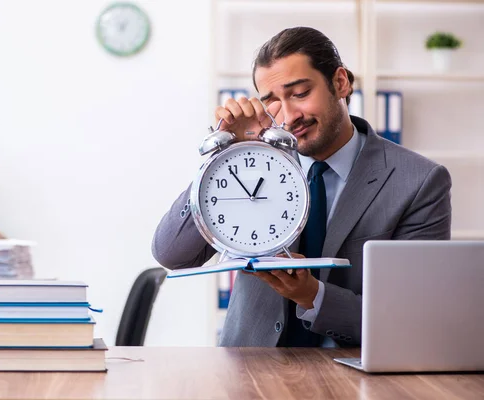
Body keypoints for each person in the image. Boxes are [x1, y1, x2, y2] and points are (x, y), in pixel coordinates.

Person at [151, 26, 452, 347]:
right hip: (249, 373)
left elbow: (412, 320)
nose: (289, 116)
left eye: (299, 93)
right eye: (272, 102)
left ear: (340, 82)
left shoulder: (419, 181)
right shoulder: (248, 165)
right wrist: (224, 156)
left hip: (354, 374)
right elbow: (173, 254)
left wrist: (312, 295)